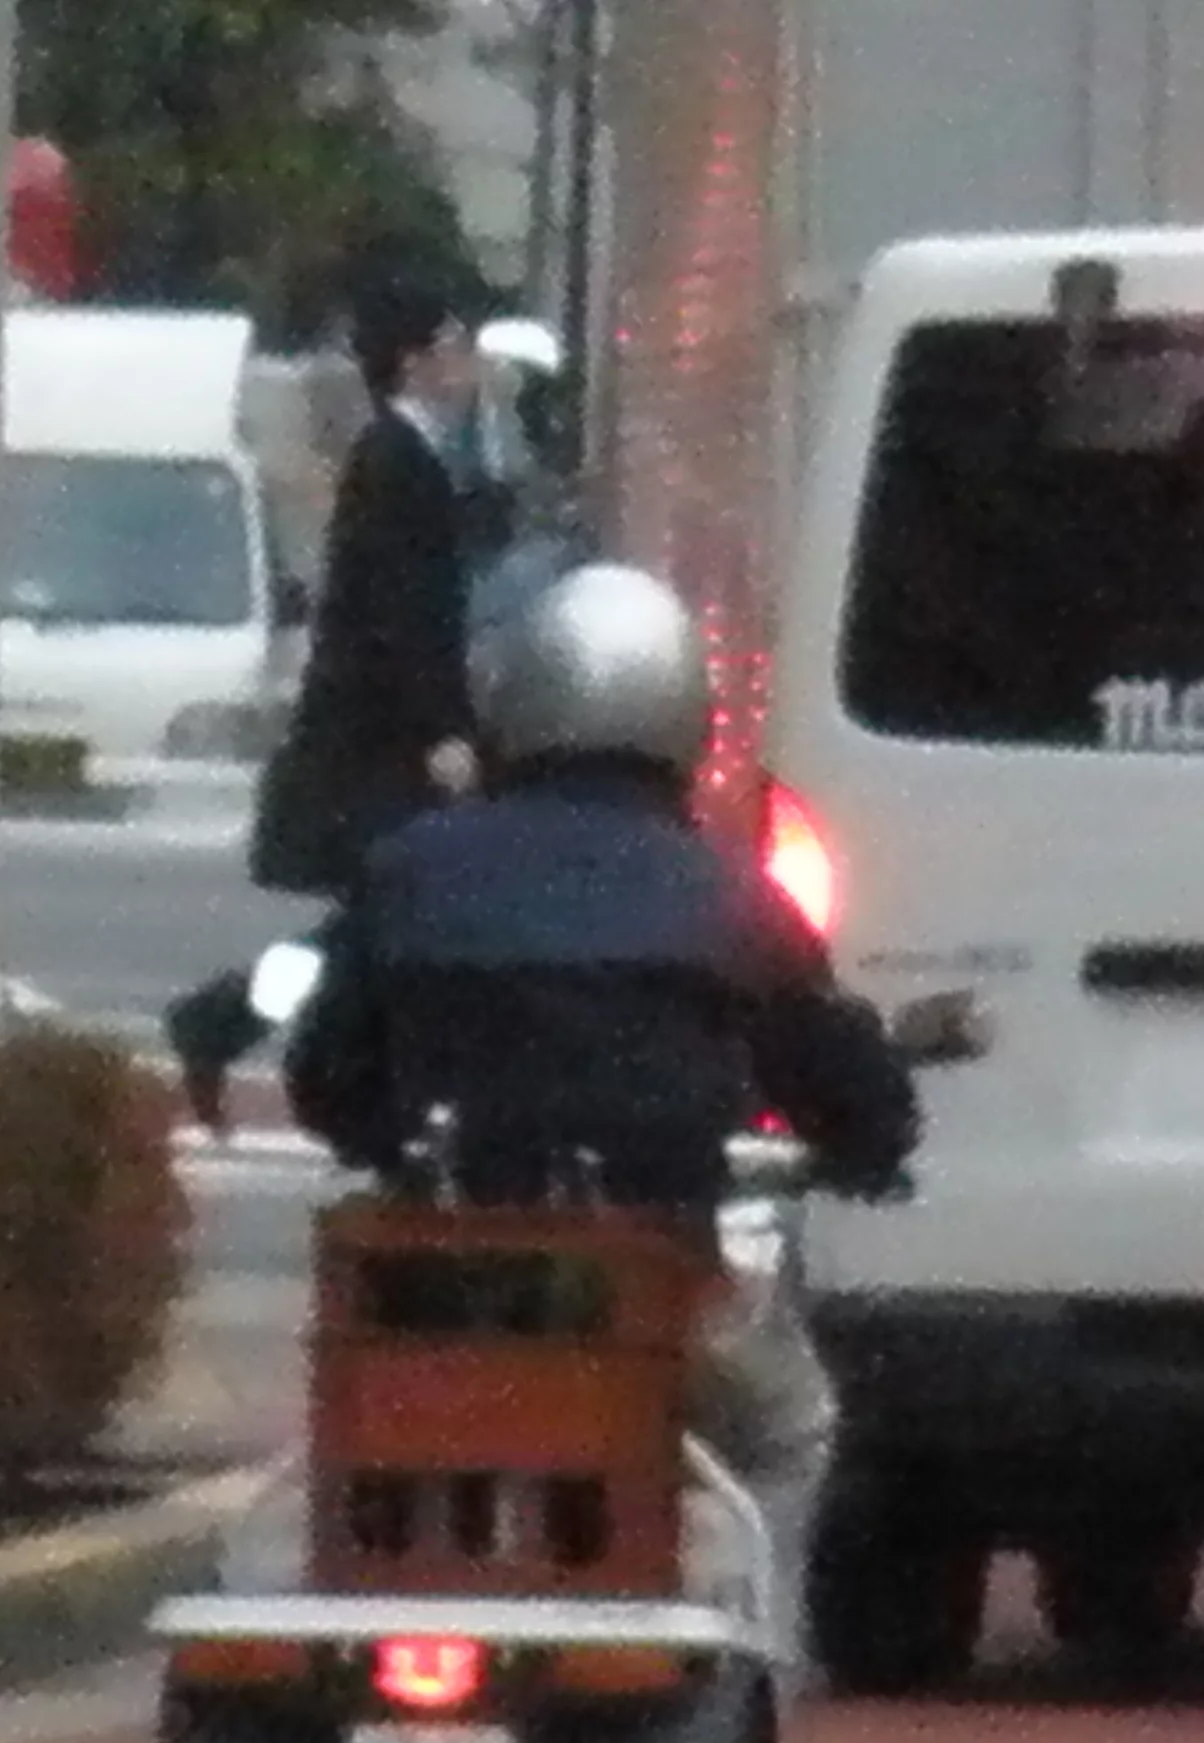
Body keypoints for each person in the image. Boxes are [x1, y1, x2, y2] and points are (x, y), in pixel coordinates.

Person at [214, 563, 923, 1672]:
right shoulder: (729, 895)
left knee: (324, 1473)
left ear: (516, 705)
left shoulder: (413, 870)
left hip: (432, 1295)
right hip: (651, 1290)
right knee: (789, 1431)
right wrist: (868, 1149)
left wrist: (384, 1130)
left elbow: (326, 1074)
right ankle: (755, 1677)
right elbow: (854, 1093)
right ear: (682, 718)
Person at [163, 269, 489, 1130]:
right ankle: (239, 1029)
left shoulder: (404, 458)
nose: (469, 362)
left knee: (375, 931)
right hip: (380, 751)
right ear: (415, 362)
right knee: (383, 929)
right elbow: (398, 615)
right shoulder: (399, 462)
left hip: (377, 743)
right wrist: (440, 735)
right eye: (455, 344)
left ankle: (239, 1029)